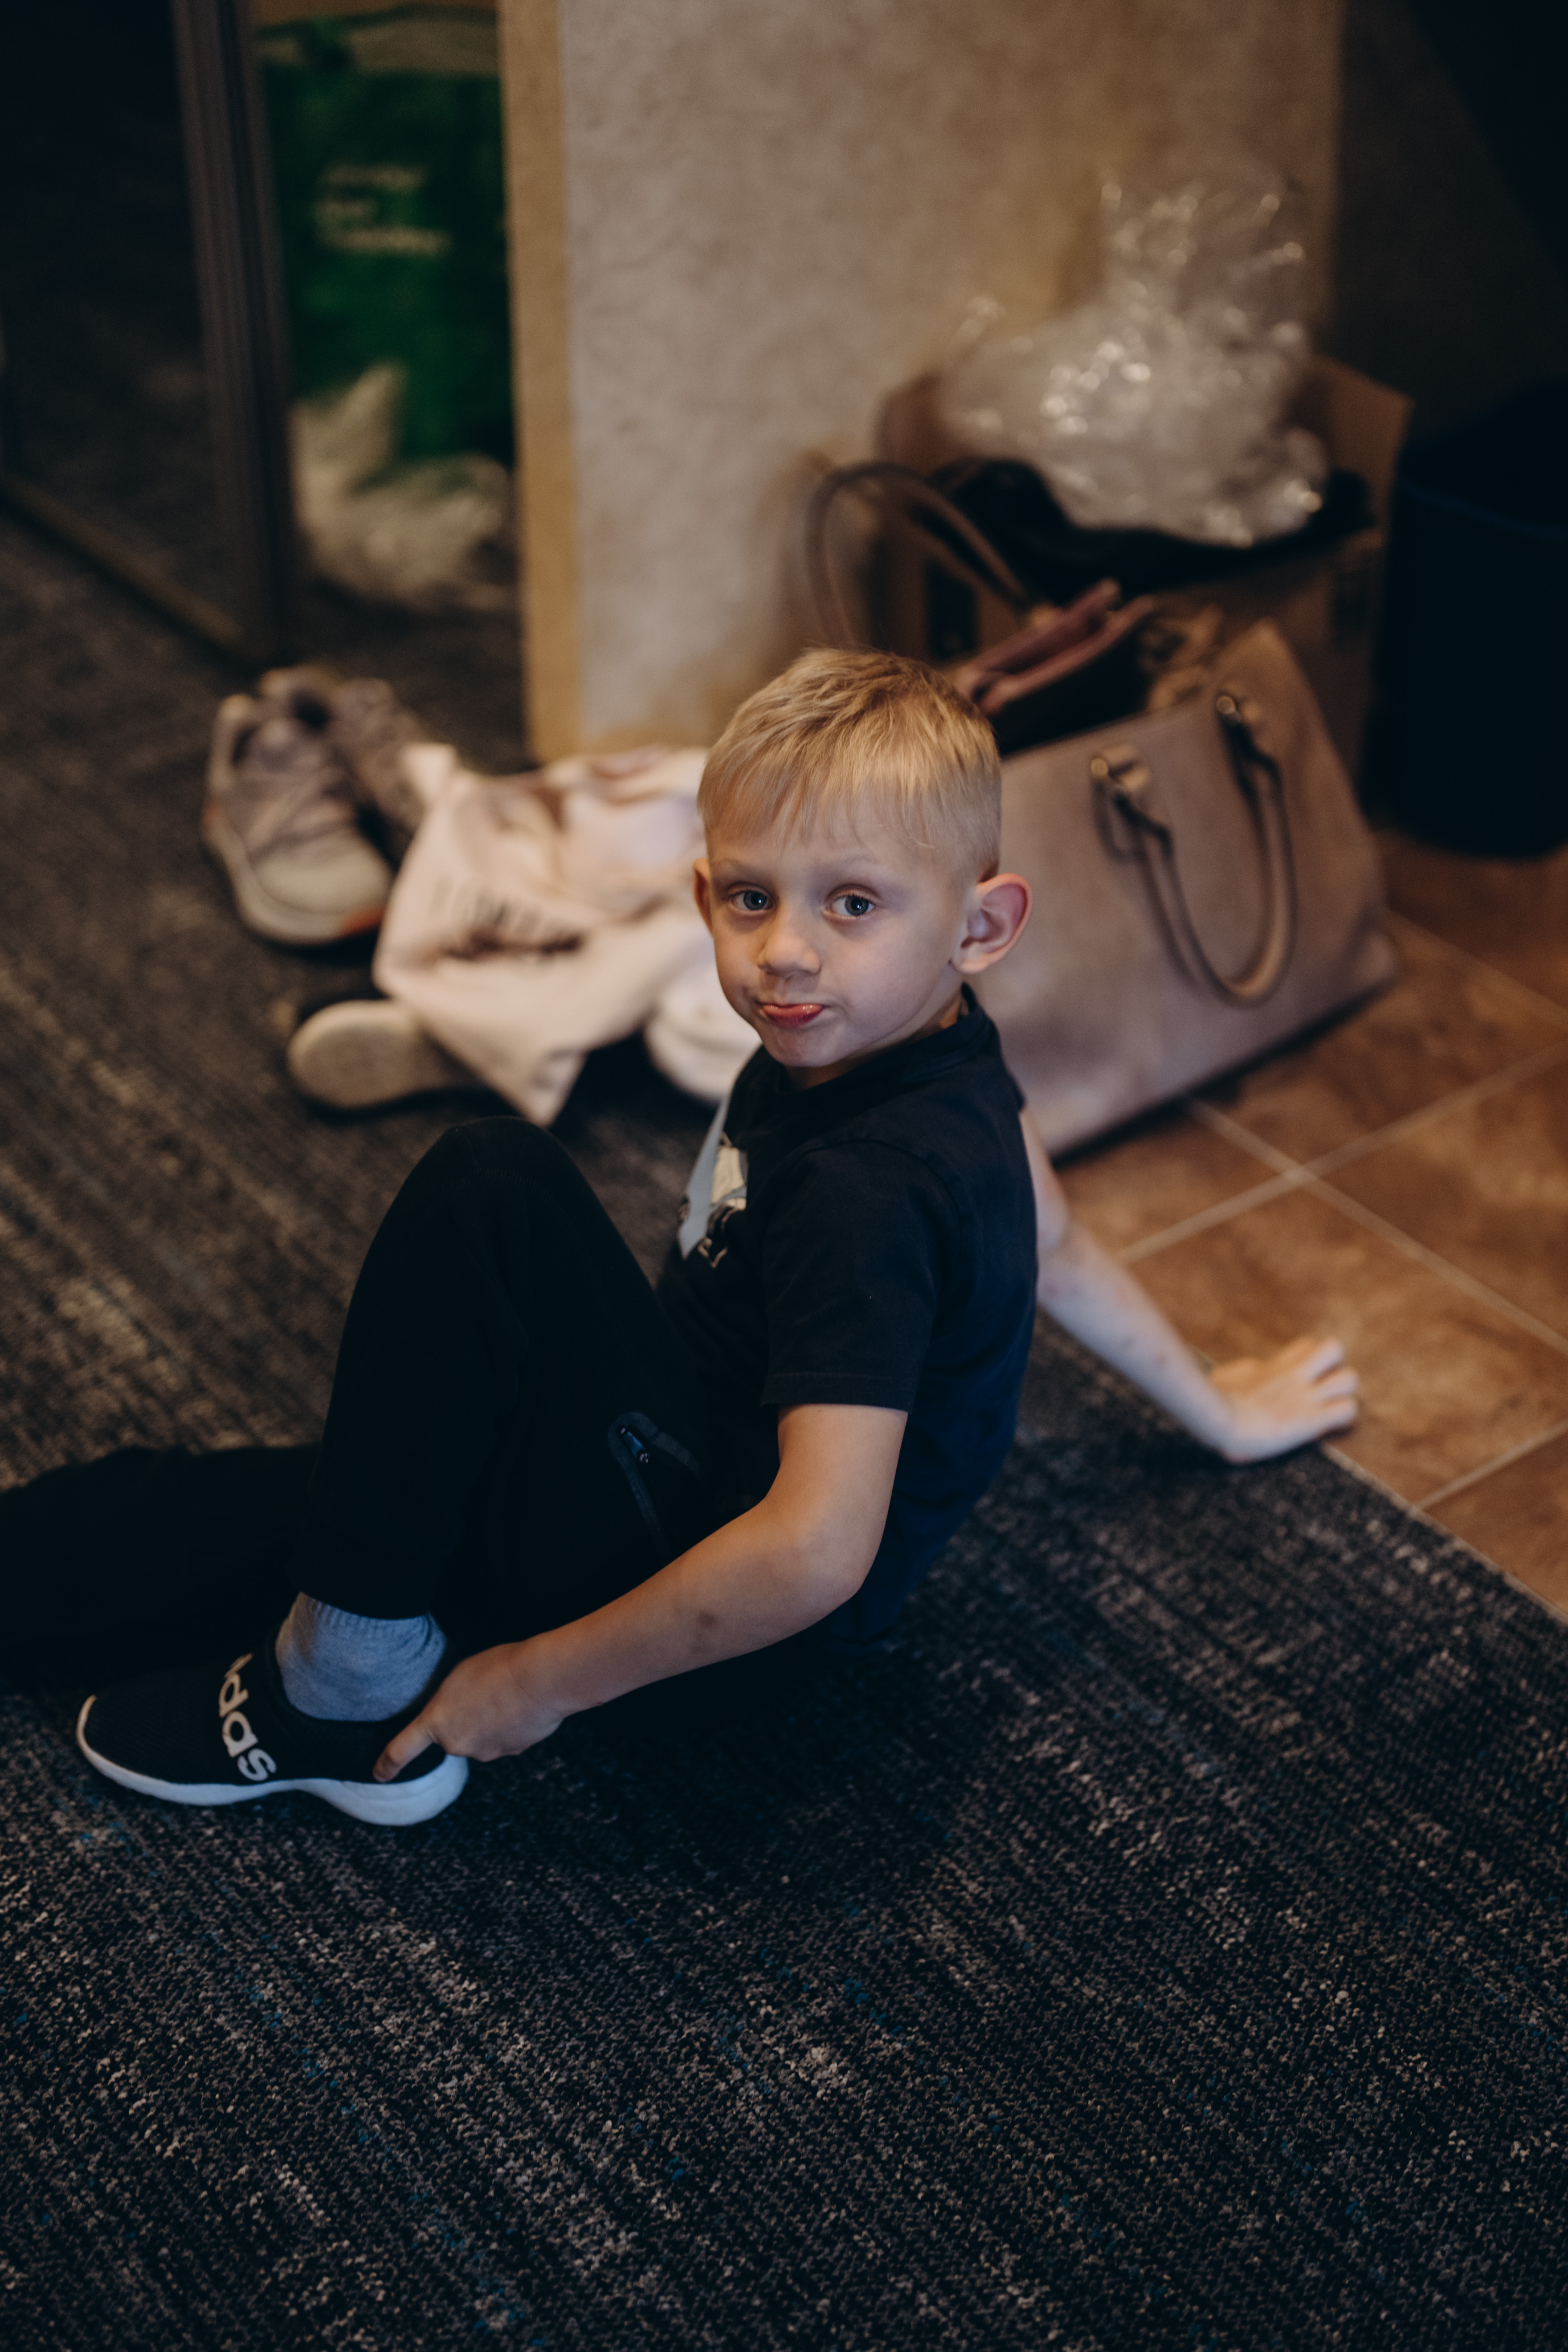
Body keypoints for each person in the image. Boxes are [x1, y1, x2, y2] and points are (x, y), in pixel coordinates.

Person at [41, 651, 1356, 1827]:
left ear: (980, 927)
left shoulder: (870, 1188)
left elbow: (815, 1551)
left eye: (854, 904)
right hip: (663, 1457)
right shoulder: (928, 1042)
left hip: (713, 1598)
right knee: (203, 1519)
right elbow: (1054, 1242)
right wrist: (1220, 1412)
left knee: (488, 1192)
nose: (786, 953)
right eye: (750, 897)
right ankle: (320, 1617)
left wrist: (536, 1684)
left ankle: (331, 1701)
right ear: (702, 891)